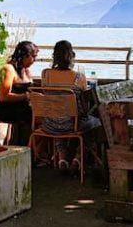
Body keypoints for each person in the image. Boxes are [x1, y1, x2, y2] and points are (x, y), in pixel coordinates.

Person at [39, 40, 101, 172]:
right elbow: (84, 102)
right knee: (95, 122)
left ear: (54, 56)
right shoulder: (79, 77)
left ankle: (62, 158)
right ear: (71, 56)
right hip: (72, 125)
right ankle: (78, 158)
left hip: (49, 124)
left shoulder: (45, 74)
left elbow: (48, 96)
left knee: (58, 113)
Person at [0, 40, 37, 146]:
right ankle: (28, 147)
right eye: (33, 57)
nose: (34, 61)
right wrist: (26, 96)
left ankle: (32, 148)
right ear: (25, 56)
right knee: (38, 118)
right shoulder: (8, 69)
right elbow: (3, 96)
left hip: (22, 108)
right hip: (8, 109)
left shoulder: (26, 71)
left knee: (44, 116)